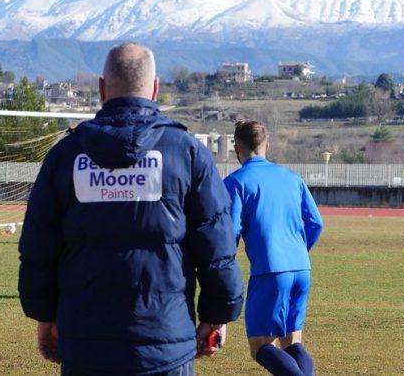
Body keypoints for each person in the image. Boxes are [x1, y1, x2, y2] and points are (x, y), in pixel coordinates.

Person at [18, 42, 244, 375]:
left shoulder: (65, 156)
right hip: (166, 344)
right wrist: (217, 314)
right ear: (155, 89)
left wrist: (44, 316)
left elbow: (39, 248)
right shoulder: (188, 153)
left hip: (85, 343)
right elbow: (217, 248)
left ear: (100, 88)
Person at [223, 120, 324, 376]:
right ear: (267, 145)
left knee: (260, 345)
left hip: (270, 270)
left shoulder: (236, 182)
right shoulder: (292, 178)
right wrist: (299, 251)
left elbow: (231, 232)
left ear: (237, 148)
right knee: (292, 342)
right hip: (301, 268)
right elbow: (316, 222)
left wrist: (223, 267)